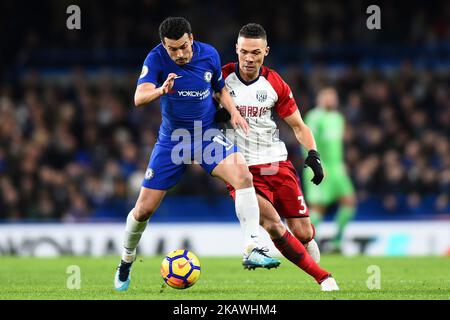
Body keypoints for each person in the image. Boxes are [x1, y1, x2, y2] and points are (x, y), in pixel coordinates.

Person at [114, 17, 279, 291]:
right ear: (163, 46)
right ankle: (126, 260)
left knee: (242, 175)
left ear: (191, 38)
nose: (178, 54)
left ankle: (252, 246)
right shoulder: (156, 59)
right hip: (173, 142)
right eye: (171, 49)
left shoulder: (209, 54)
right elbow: (138, 97)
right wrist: (160, 90)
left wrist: (234, 111)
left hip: (206, 136)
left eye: (182, 47)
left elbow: (220, 88)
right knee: (143, 210)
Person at [215, 23, 339, 291]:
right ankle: (323, 278)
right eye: (244, 51)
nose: (249, 58)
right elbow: (200, 114)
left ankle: (312, 269)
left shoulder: (275, 83)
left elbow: (298, 125)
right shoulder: (221, 78)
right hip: (242, 169)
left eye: (256, 52)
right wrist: (216, 114)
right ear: (236, 49)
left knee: (304, 233)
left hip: (275, 162)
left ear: (266, 52)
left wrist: (314, 154)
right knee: (272, 224)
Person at [303, 87, 357, 253]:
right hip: (319, 166)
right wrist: (317, 165)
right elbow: (305, 141)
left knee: (349, 201)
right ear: (320, 99)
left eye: (333, 97)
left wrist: (341, 163)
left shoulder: (338, 118)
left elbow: (337, 145)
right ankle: (306, 243)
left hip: (337, 168)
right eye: (327, 96)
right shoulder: (314, 116)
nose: (331, 99)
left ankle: (337, 242)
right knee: (319, 207)